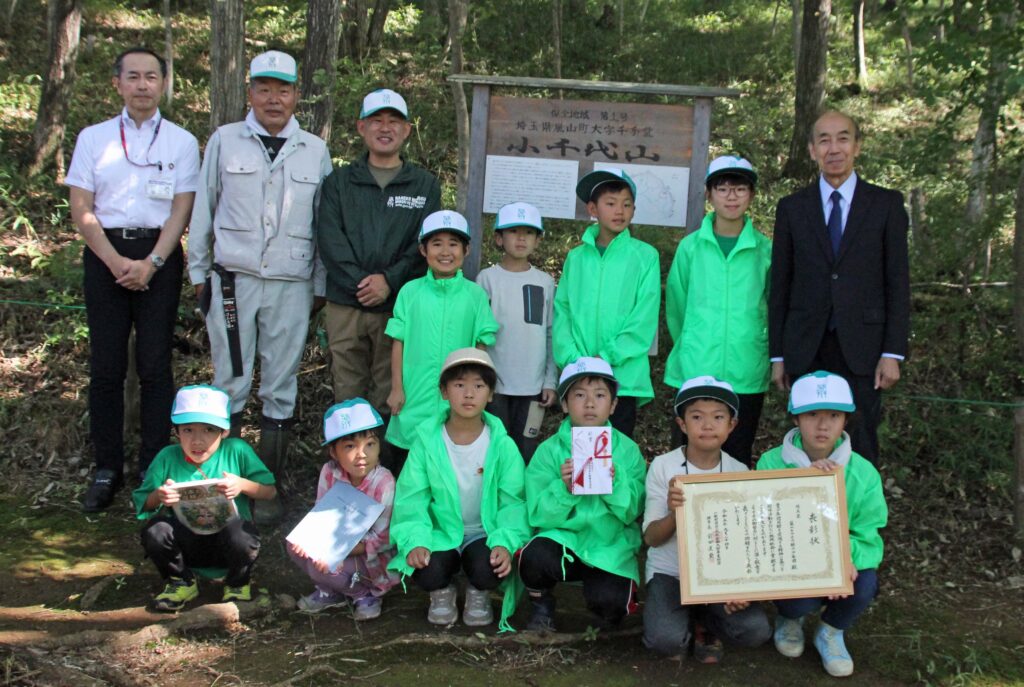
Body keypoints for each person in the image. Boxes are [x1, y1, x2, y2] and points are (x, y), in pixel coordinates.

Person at [188, 50, 332, 523]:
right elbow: (204, 210)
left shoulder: (314, 149)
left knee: (280, 385)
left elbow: (323, 223)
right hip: (232, 280)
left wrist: (320, 284)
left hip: (292, 285)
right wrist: (199, 272)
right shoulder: (225, 141)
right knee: (227, 383)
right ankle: (220, 487)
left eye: (283, 89)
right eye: (264, 88)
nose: (274, 98)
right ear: (250, 91)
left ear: (296, 95)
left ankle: (265, 489)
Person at [66, 47, 200, 512]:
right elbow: (81, 207)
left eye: (151, 77)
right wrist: (113, 260)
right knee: (105, 368)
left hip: (159, 259)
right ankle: (106, 468)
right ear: (117, 83)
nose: (143, 85)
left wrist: (153, 263)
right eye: (133, 77)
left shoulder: (181, 141)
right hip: (105, 256)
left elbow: (182, 207)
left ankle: (151, 467)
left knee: (155, 366)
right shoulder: (93, 137)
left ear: (164, 84)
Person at [769, 110, 910, 463]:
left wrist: (893, 352)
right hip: (806, 345)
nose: (834, 148)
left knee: (860, 444)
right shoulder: (792, 208)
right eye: (824, 140)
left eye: (843, 138)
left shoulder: (886, 204)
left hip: (864, 348)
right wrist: (779, 355)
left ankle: (859, 519)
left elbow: (897, 281)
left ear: (857, 146)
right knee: (806, 447)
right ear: (812, 149)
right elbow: (781, 285)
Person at [317, 89, 441, 421]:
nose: (385, 128)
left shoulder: (423, 185)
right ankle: (348, 469)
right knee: (347, 390)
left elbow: (426, 243)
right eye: (376, 120)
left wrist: (389, 281)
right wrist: (361, 283)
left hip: (399, 304)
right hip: (345, 302)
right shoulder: (339, 183)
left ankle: (384, 470)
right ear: (361, 127)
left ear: (406, 130)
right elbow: (330, 239)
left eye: (393, 121)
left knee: (392, 392)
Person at [388, 348, 530, 631]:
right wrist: (416, 539)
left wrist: (504, 541)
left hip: (484, 532)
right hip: (440, 533)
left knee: (488, 567)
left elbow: (513, 502)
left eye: (479, 386)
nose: (469, 394)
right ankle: (442, 591)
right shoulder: (427, 441)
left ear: (490, 395)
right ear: (444, 391)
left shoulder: (501, 444)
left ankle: (479, 593)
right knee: (427, 570)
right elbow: (411, 498)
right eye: (459, 385)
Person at [758, 371, 888, 677]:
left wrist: (842, 558)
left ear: (846, 420)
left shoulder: (864, 473)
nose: (823, 424)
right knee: (797, 598)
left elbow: (869, 534)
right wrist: (805, 481)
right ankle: (790, 619)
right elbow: (765, 524)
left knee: (866, 583)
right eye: (812, 414)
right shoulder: (770, 463)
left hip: (846, 563)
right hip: (792, 560)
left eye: (834, 415)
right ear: (795, 419)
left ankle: (830, 631)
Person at [642, 376, 771, 662]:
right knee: (664, 640)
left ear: (732, 425)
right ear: (682, 424)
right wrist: (675, 513)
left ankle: (705, 620)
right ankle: (685, 622)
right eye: (697, 417)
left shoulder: (739, 473)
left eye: (718, 417)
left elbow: (751, 543)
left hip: (720, 576)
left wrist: (745, 588)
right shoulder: (664, 467)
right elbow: (651, 538)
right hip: (670, 572)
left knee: (756, 630)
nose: (708, 425)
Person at [519, 357, 645, 631]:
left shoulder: (627, 451)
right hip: (564, 541)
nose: (590, 404)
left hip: (610, 545)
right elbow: (538, 513)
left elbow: (633, 511)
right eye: (579, 395)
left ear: (612, 405)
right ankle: (542, 605)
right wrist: (563, 489)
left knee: (612, 604)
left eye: (600, 395)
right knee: (534, 556)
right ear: (564, 404)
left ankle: (603, 604)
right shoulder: (548, 451)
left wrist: (616, 482)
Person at [663, 156, 771, 467]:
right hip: (697, 367)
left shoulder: (764, 250)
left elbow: (771, 306)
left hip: (745, 370)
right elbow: (678, 306)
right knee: (692, 455)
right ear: (709, 195)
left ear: (751, 195)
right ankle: (686, 517)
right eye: (722, 188)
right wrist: (693, 342)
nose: (731, 196)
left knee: (737, 453)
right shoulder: (691, 247)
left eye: (740, 188)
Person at [132, 385, 277, 611]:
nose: (197, 441)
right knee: (156, 530)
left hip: (229, 542)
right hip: (187, 543)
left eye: (208, 429)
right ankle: (181, 582)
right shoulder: (167, 457)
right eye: (188, 430)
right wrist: (160, 495)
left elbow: (269, 491)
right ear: (177, 431)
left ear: (224, 431)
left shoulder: (237, 450)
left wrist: (242, 485)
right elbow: (144, 504)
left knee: (241, 533)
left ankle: (237, 583)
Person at [384, 211, 499, 472]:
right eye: (437, 244)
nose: (445, 252)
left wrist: (476, 388)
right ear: (423, 250)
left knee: (450, 461)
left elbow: (481, 345)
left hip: (456, 396)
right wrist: (397, 388)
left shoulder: (475, 295)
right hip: (414, 393)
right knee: (409, 461)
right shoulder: (410, 292)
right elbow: (398, 341)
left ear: (466, 250)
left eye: (453, 244)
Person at [552, 169, 660, 438]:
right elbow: (562, 311)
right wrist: (573, 359)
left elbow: (644, 317)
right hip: (580, 375)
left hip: (623, 378)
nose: (619, 211)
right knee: (578, 451)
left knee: (616, 454)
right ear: (593, 208)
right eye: (610, 204)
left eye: (626, 204)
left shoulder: (645, 256)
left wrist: (605, 358)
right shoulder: (576, 258)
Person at [287, 398, 399, 619]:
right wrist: (313, 543)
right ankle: (331, 591)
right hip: (338, 543)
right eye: (350, 446)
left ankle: (364, 593)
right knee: (295, 546)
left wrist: (335, 553)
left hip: (371, 555)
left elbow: (384, 538)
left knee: (328, 567)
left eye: (370, 444)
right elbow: (322, 515)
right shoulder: (330, 472)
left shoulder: (384, 482)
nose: (362, 454)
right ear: (333, 452)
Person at [476, 201, 557, 462]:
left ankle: (523, 501)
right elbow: (479, 334)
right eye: (513, 231)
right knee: (495, 447)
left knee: (526, 448)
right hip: (495, 384)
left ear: (537, 240)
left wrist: (549, 381)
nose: (521, 238)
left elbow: (549, 334)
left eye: (529, 232)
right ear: (499, 238)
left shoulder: (544, 282)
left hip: (533, 387)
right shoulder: (486, 279)